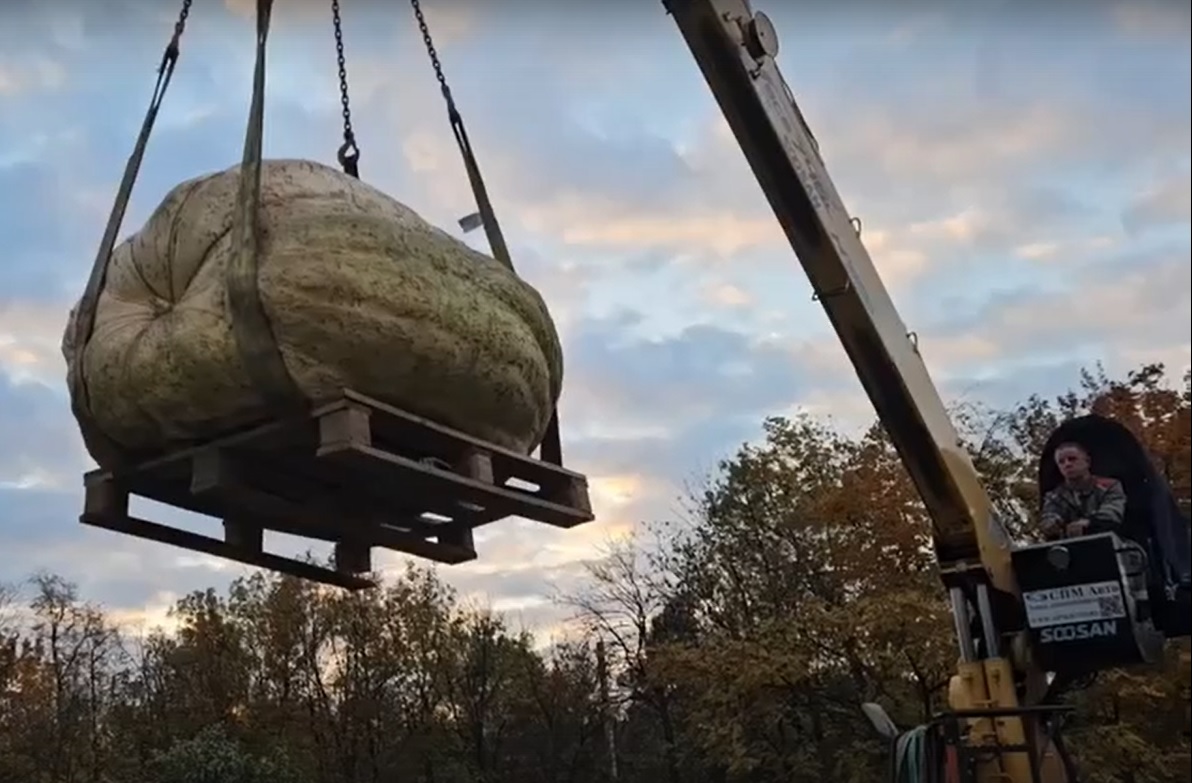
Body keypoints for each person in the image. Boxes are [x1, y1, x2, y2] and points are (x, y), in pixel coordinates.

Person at [1040, 441, 1127, 540]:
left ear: (1087, 461)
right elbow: (1049, 516)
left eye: (1072, 459)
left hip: (1111, 541)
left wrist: (1089, 523)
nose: (1067, 464)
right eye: (1061, 462)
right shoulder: (1054, 496)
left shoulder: (1109, 486)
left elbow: (1112, 514)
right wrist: (1052, 524)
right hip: (1070, 546)